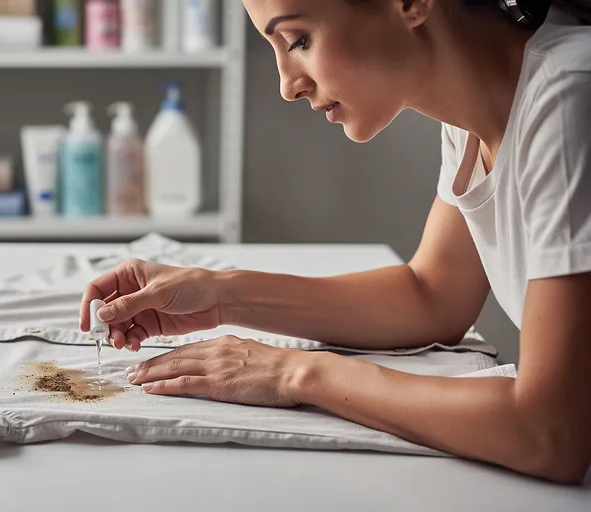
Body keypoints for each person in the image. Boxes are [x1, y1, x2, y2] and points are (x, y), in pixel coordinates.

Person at [80, 0, 591, 484]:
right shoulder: (478, 110)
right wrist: (217, 295)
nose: (287, 86)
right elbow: (434, 295)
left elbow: (548, 431)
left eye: (298, 39)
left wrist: (295, 374)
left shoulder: (567, 96)